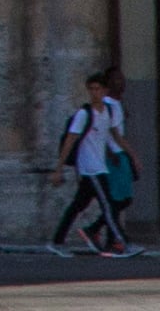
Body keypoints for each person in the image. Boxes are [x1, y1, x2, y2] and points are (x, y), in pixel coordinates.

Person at [50, 70, 131, 254]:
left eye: (98, 89)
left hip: (99, 166)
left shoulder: (107, 111)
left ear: (104, 91)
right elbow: (70, 140)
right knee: (108, 206)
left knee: (77, 206)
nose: (95, 93)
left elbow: (115, 136)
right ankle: (124, 243)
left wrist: (132, 155)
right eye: (91, 89)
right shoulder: (83, 114)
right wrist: (59, 168)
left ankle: (57, 241)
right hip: (91, 169)